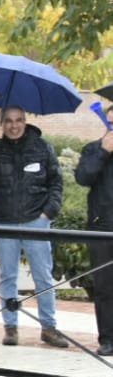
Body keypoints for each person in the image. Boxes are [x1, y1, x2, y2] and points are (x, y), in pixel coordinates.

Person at [0, 107, 70, 347]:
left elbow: (56, 182)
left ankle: (48, 327)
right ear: (2, 123)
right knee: (8, 277)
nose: (13, 126)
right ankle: (11, 327)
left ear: (26, 122)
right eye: (8, 121)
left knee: (43, 277)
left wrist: (49, 212)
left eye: (18, 121)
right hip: (4, 221)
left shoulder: (41, 147)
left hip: (35, 221)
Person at [75, 125, 113, 356]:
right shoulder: (93, 149)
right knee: (104, 287)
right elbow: (83, 177)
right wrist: (104, 152)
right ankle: (108, 338)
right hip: (101, 228)